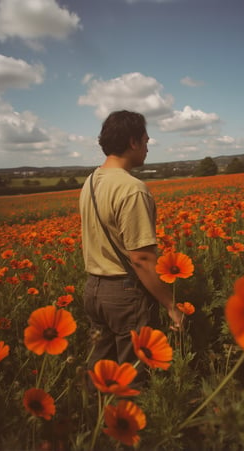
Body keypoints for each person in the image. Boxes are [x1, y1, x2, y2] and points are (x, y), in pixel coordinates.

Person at [79, 110, 183, 380]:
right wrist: (171, 306)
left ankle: (95, 420)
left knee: (102, 374)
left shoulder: (90, 182)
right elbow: (141, 259)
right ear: (133, 142)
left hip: (93, 290)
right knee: (131, 378)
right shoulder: (132, 189)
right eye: (146, 141)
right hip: (124, 294)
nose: (148, 147)